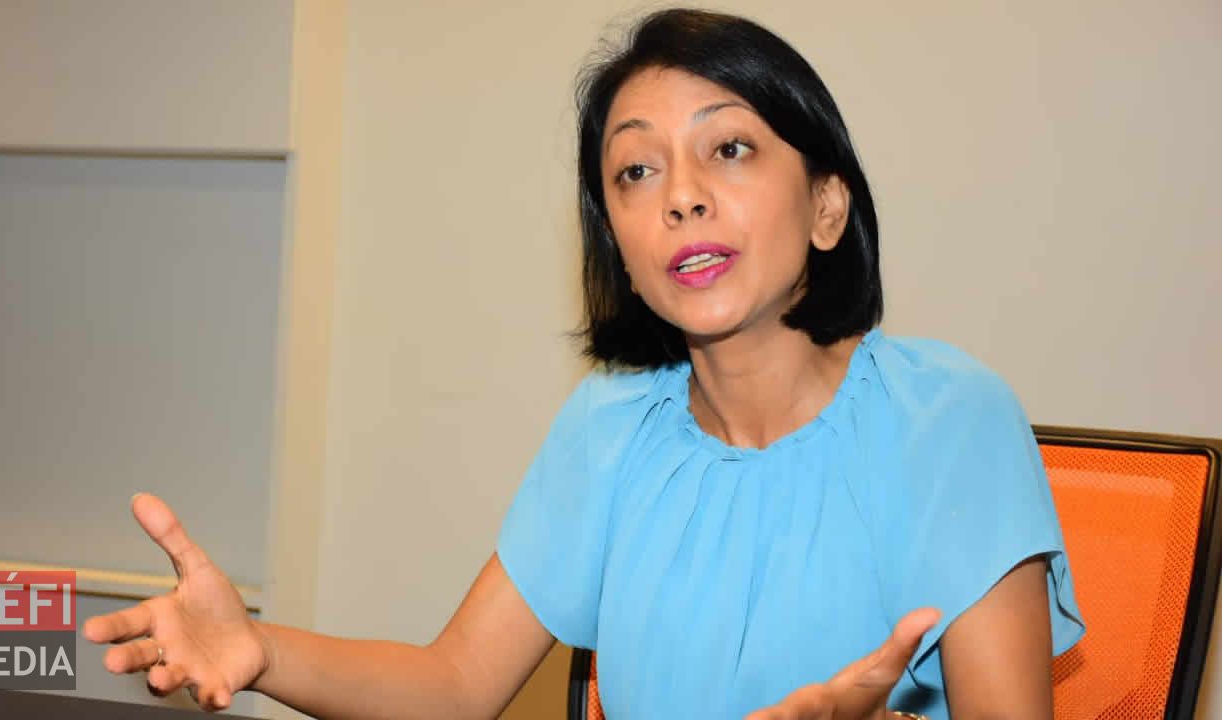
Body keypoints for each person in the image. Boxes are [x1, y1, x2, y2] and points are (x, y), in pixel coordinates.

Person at [84, 8, 1083, 719]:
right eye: (636, 170)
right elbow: (453, 687)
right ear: (618, 245)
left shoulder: (950, 420)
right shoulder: (611, 427)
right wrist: (261, 650)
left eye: (728, 149)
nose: (680, 196)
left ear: (827, 205)